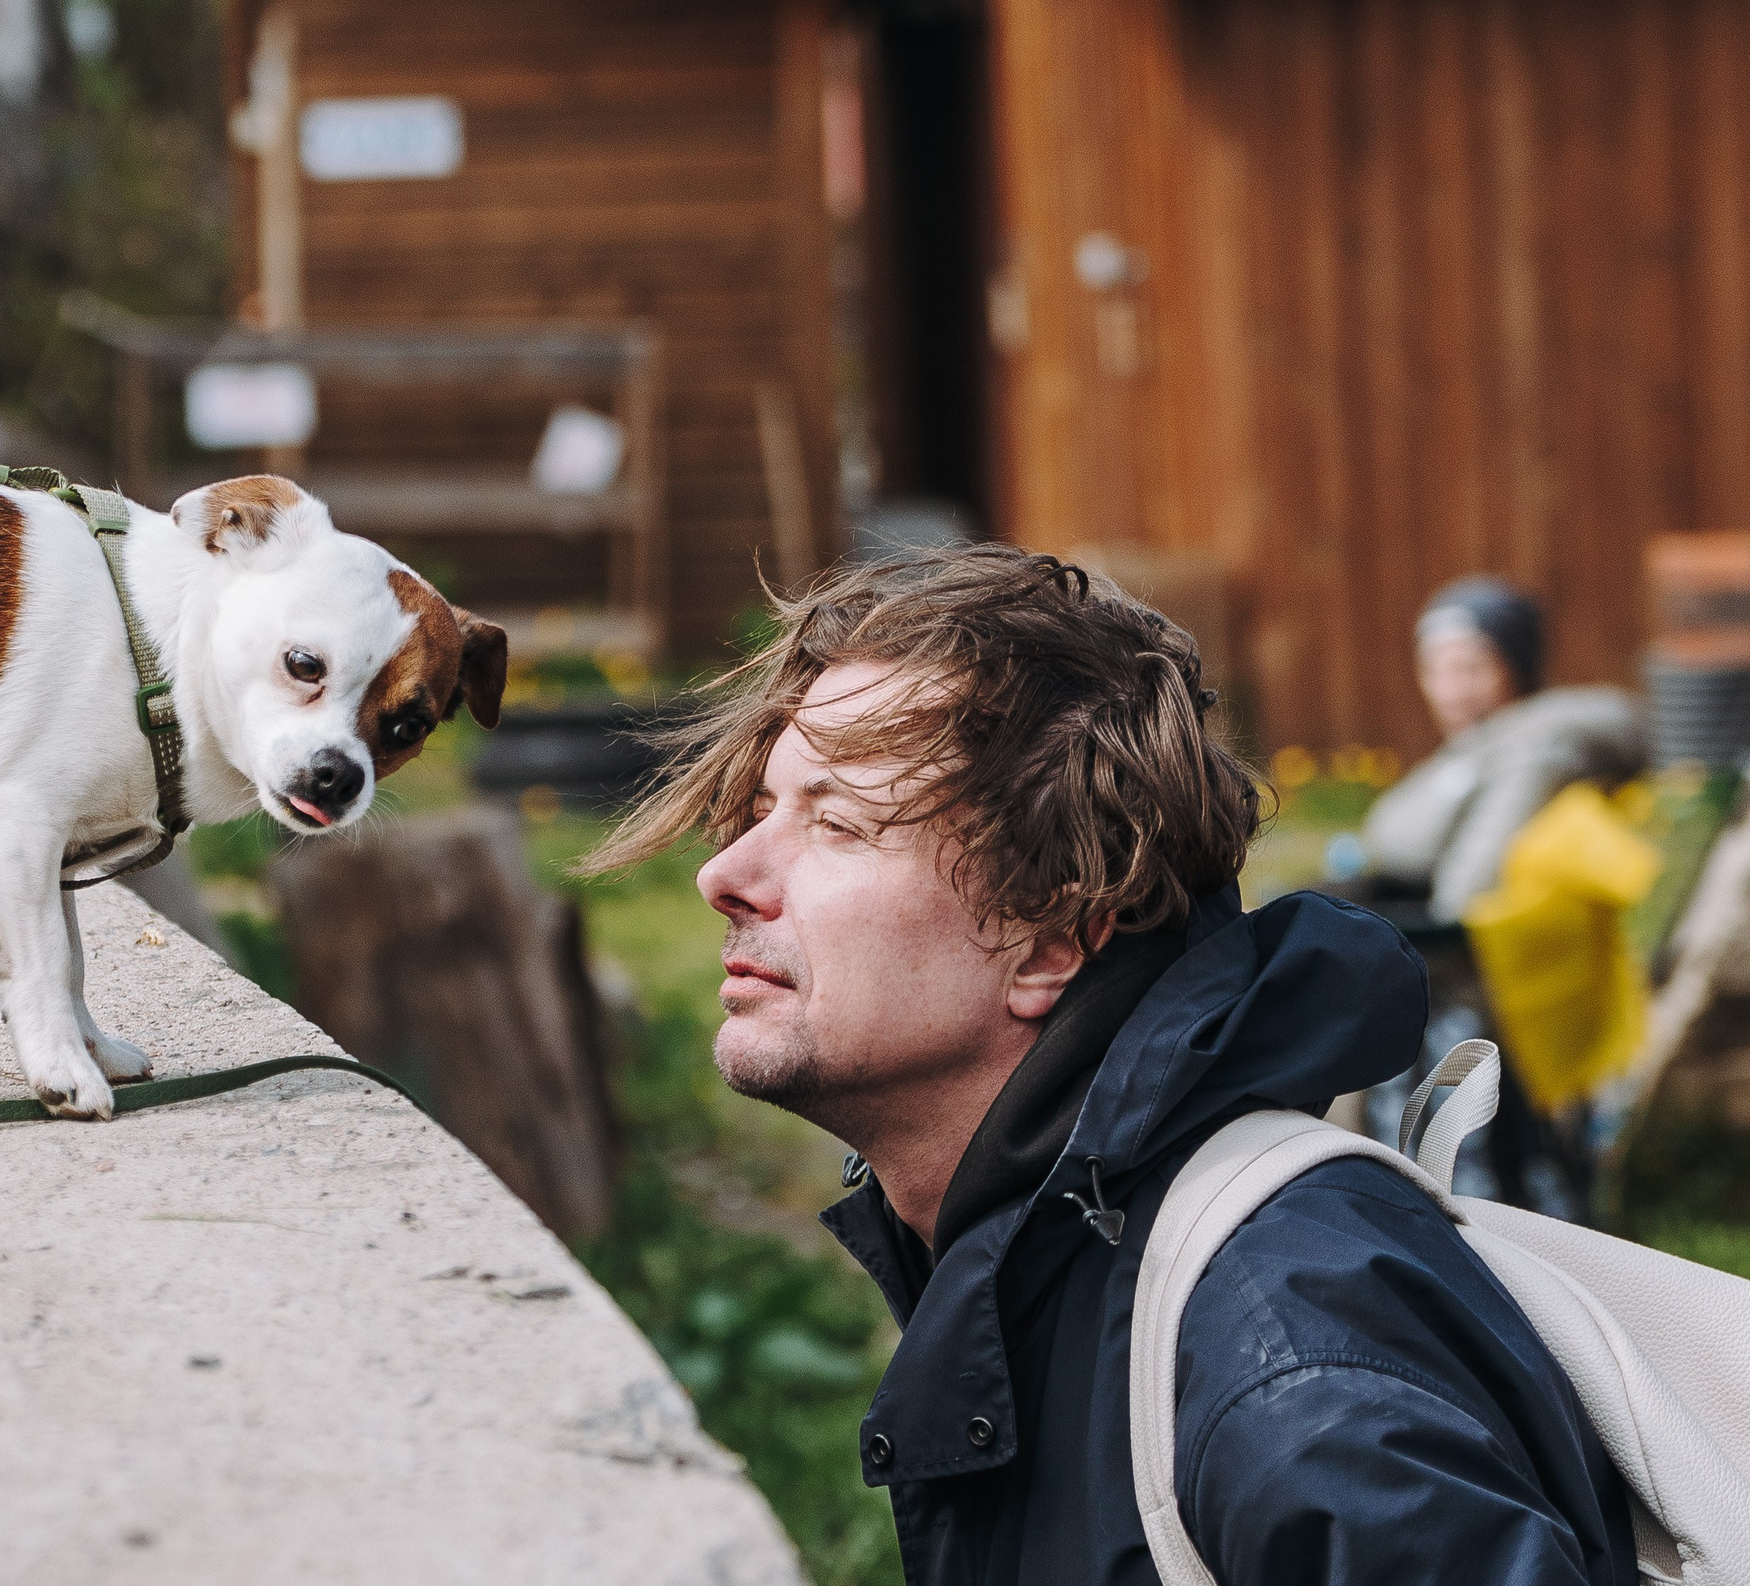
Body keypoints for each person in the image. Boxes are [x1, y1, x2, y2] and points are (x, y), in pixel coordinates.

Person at [588, 545, 1635, 1585]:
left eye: (839, 824)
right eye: (763, 811)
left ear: (1050, 939)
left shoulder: (1290, 1369)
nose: (724, 874)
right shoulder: (1052, 1245)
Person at [1356, 578, 1645, 1217]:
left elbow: (1466, 889)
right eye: (1436, 669)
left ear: (1514, 667)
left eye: (1472, 667)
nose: (1453, 689)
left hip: (1490, 996)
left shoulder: (1536, 744)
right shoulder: (1486, 751)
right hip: (1480, 985)